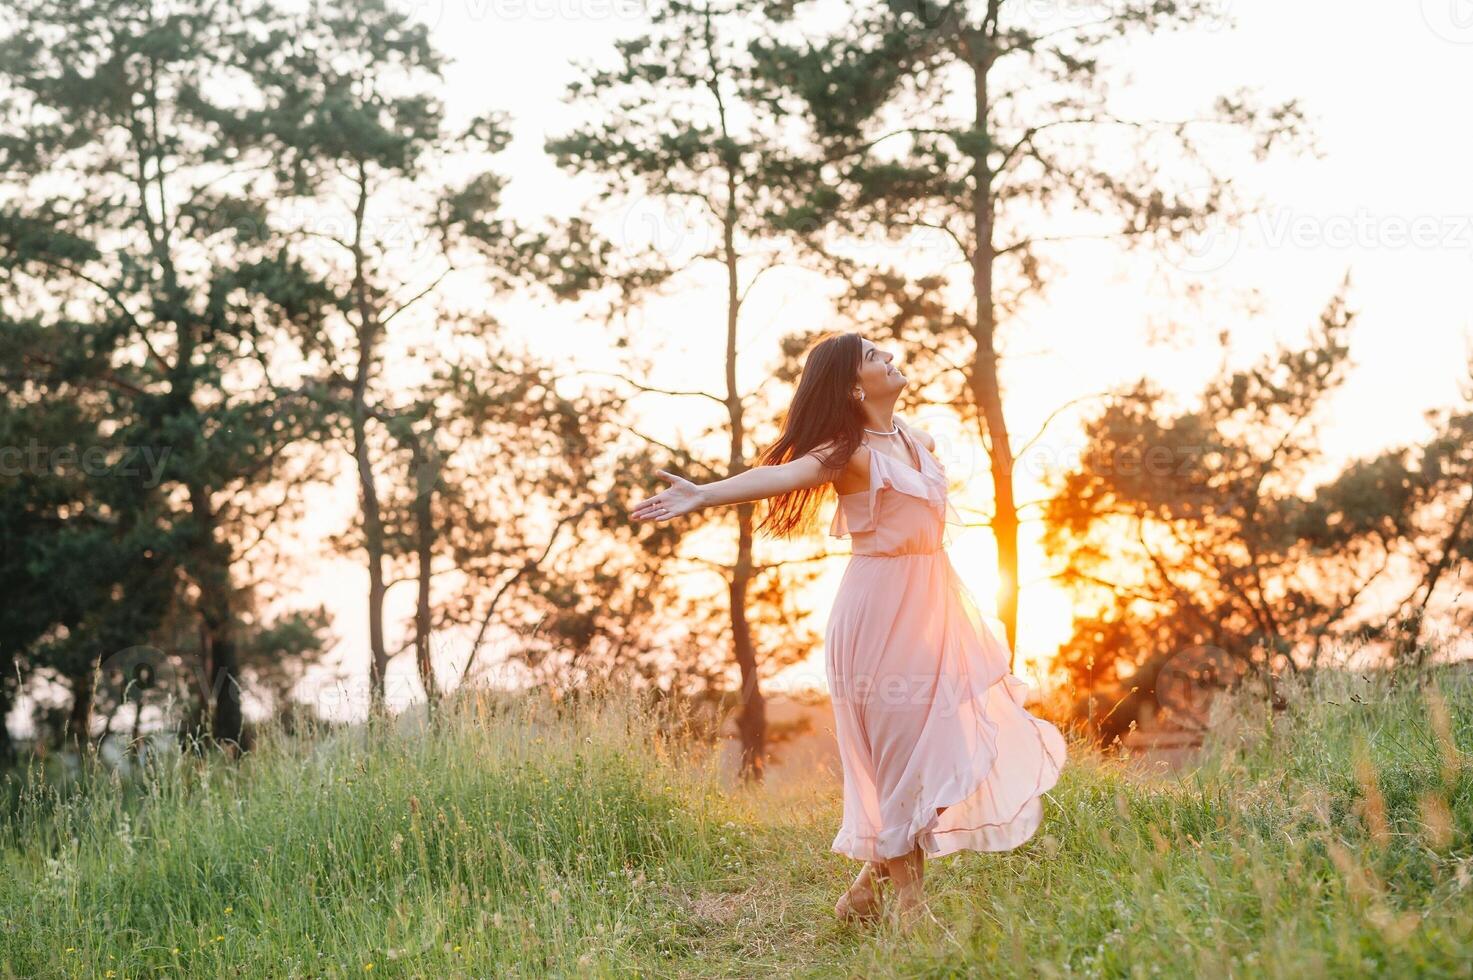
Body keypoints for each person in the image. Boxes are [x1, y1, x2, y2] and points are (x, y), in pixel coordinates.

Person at [630, 331, 1066, 926]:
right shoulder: (848, 452)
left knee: (946, 752)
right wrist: (705, 494)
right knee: (899, 761)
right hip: (878, 613)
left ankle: (865, 887)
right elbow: (780, 477)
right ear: (855, 385)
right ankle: (912, 913)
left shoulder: (919, 439)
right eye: (874, 356)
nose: (891, 356)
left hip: (935, 609)